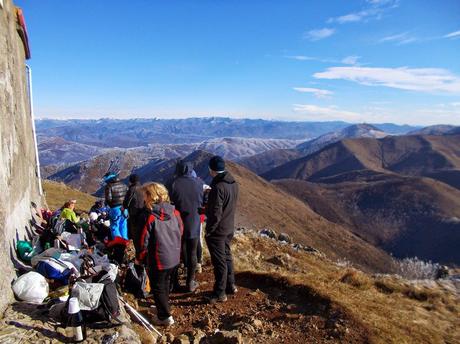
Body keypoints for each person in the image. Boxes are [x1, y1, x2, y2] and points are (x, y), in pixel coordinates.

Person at [138, 183, 183, 326]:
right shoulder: (175, 212)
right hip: (174, 256)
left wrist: (140, 258)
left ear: (151, 197)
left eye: (145, 195)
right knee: (166, 282)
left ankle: (164, 316)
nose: (144, 198)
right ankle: (163, 307)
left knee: (157, 286)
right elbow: (181, 230)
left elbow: (144, 241)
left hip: (158, 258)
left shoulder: (150, 217)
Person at [205, 156, 239, 304]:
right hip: (228, 226)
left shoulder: (218, 187)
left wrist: (210, 230)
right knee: (227, 256)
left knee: (219, 262)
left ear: (211, 170)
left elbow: (215, 213)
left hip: (218, 230)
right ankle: (230, 285)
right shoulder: (233, 183)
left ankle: (219, 293)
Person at [170, 161, 204, 292]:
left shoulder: (173, 183)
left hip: (177, 223)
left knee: (177, 252)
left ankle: (175, 283)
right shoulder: (199, 182)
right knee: (192, 252)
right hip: (194, 222)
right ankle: (190, 282)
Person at [123, 174, 145, 252]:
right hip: (144, 213)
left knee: (135, 233)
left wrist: (124, 208)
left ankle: (137, 251)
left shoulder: (131, 189)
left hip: (134, 214)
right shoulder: (143, 188)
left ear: (131, 181)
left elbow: (126, 203)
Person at [104, 173, 128, 240]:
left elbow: (108, 199)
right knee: (123, 225)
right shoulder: (124, 185)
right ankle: (125, 241)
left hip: (115, 208)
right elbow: (127, 197)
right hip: (124, 208)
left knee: (115, 226)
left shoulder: (109, 186)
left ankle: (118, 243)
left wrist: (111, 206)